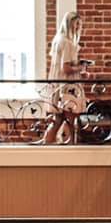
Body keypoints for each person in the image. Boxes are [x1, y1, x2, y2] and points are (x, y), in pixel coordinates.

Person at [44, 12, 87, 144]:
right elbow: (66, 68)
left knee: (57, 120)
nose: (78, 27)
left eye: (79, 24)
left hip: (57, 84)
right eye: (76, 24)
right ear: (69, 24)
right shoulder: (67, 43)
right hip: (67, 87)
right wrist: (81, 67)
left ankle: (46, 147)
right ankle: (72, 149)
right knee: (71, 122)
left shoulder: (58, 40)